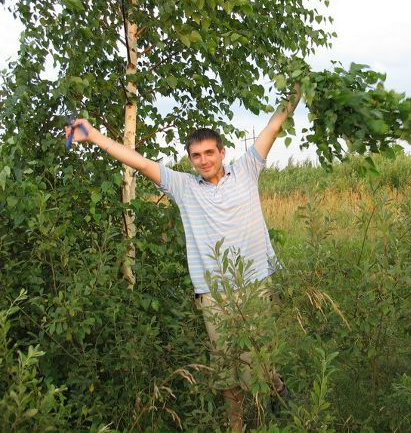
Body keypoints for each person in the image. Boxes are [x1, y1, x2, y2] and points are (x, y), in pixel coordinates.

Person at [65, 86, 301, 433]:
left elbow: (273, 125)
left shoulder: (248, 169)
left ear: (222, 152)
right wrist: (94, 136)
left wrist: (298, 90)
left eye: (209, 153)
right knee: (226, 366)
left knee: (258, 360)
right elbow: (139, 161)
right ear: (190, 159)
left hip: (254, 286)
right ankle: (235, 426)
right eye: (196, 156)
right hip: (213, 294)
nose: (203, 160)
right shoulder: (183, 186)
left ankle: (277, 391)